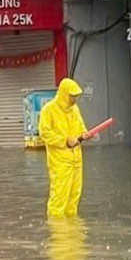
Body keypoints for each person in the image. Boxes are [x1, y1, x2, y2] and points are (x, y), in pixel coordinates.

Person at [38, 78, 89, 217]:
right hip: (60, 161)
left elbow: (80, 126)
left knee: (74, 196)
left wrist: (84, 134)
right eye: (72, 96)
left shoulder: (75, 110)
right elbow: (44, 133)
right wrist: (64, 141)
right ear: (64, 93)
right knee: (59, 196)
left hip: (76, 160)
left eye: (76, 96)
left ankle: (71, 231)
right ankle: (58, 232)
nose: (74, 99)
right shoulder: (49, 110)